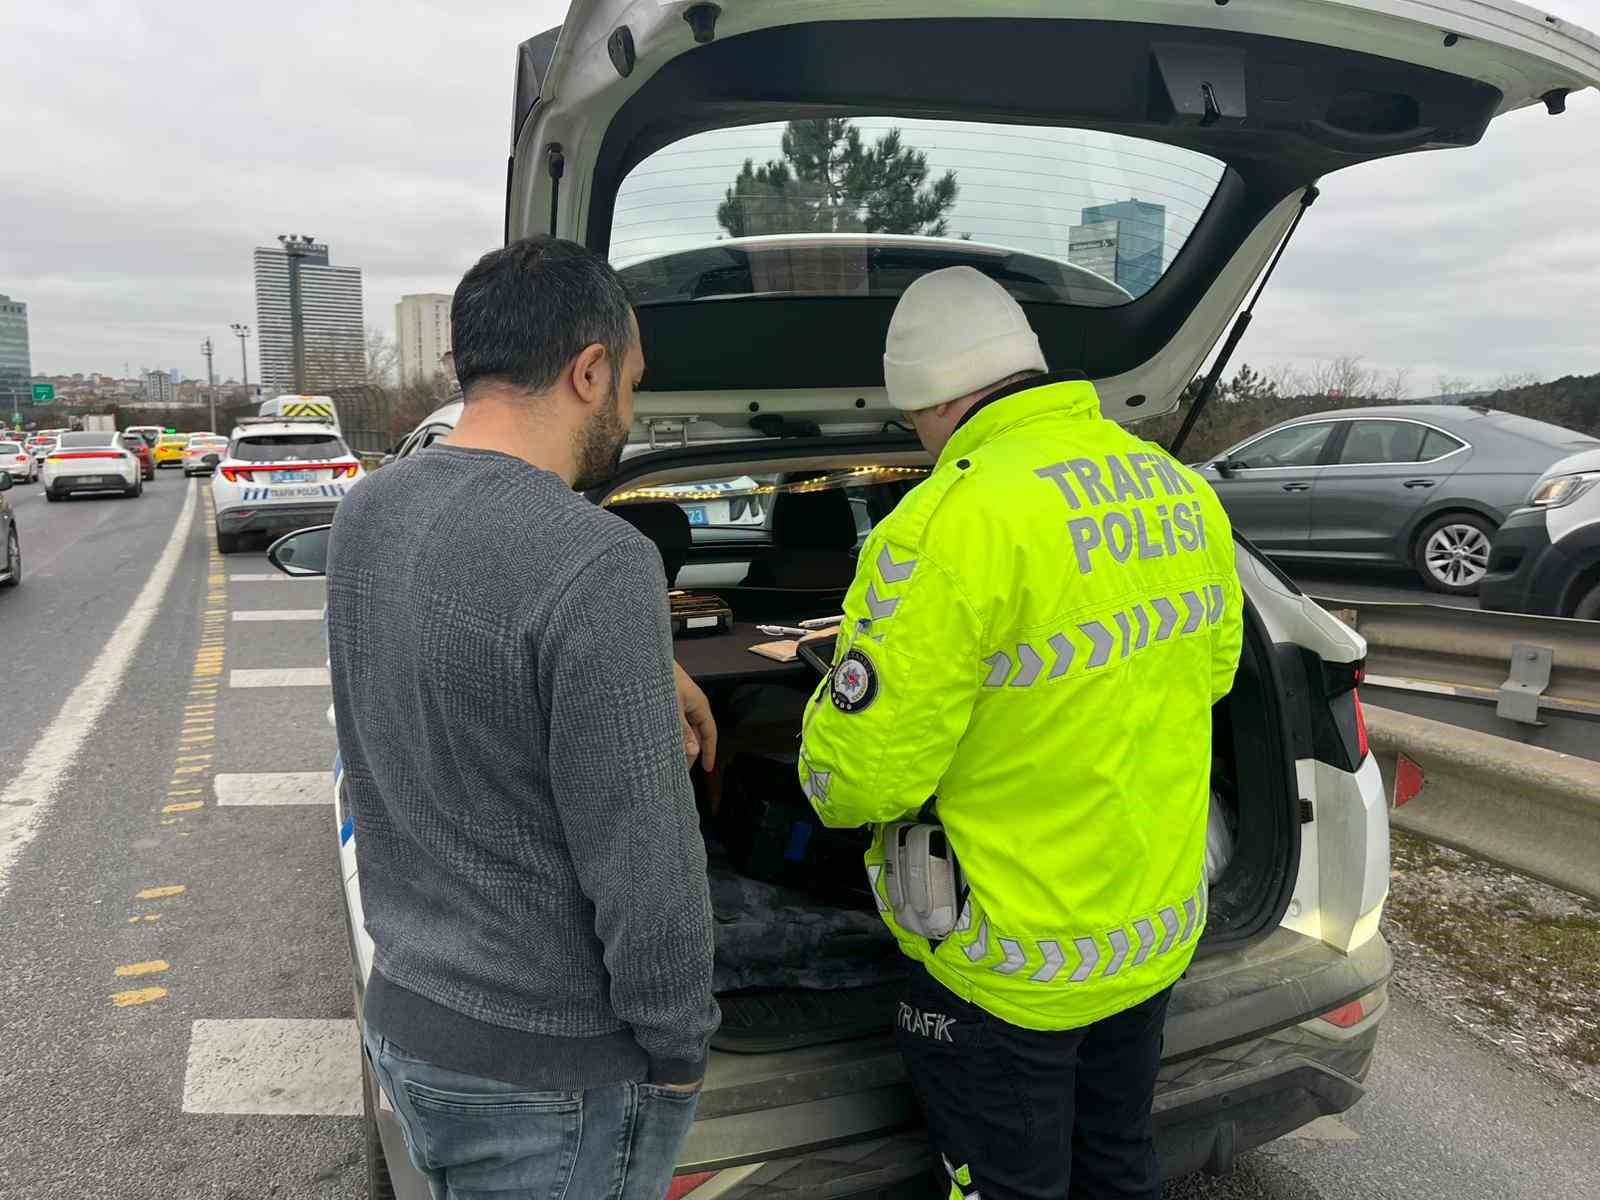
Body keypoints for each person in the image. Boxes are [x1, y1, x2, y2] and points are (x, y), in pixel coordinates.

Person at [797, 266, 1243, 1199]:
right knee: (1118, 1162)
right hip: (1149, 931)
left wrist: (827, 713)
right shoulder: (1173, 489)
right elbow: (1211, 676)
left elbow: (858, 785)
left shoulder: (945, 523)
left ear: (929, 395)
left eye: (913, 417)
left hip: (1008, 970)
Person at [326, 236, 721, 1200]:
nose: (629, 411)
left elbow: (438, 679)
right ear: (589, 371)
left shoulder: (366, 512)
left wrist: (637, 672)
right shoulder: (599, 562)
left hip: (412, 1018)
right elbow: (646, 864)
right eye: (630, 382)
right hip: (551, 1076)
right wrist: (679, 1051)